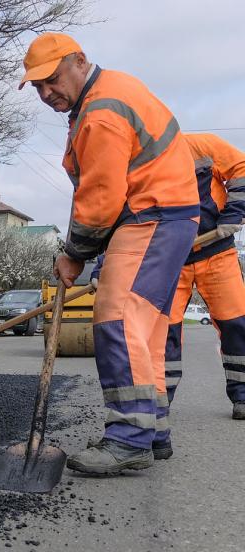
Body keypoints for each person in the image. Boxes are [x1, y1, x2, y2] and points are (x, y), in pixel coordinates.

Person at [20, 33, 199, 474]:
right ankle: (152, 432)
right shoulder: (103, 95)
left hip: (152, 214)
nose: (46, 93)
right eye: (38, 87)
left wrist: (74, 254)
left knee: (117, 318)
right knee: (145, 329)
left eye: (52, 80)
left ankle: (129, 439)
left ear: (79, 62)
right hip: (163, 215)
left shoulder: (101, 112)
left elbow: (100, 197)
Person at [163, 134, 245, 426]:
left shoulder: (202, 146)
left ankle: (243, 395)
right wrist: (102, 267)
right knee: (163, 330)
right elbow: (120, 215)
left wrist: (233, 215)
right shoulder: (140, 160)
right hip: (171, 259)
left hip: (216, 252)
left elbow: (241, 168)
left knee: (236, 323)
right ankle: (159, 402)